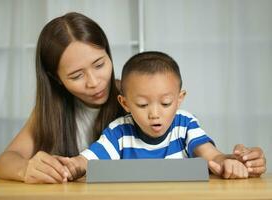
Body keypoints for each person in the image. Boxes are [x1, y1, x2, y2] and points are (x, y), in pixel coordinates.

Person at [0, 12, 266, 184]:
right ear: (56, 78)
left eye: (100, 64)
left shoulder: (142, 94)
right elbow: (7, 160)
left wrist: (237, 161)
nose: (94, 82)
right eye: (77, 75)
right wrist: (27, 169)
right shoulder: (53, 111)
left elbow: (201, 153)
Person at [60, 51, 266, 180]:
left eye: (166, 103)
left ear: (179, 99)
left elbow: (212, 156)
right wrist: (71, 166)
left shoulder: (185, 124)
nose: (155, 114)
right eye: (142, 104)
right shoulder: (119, 132)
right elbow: (86, 160)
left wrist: (231, 163)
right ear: (125, 103)